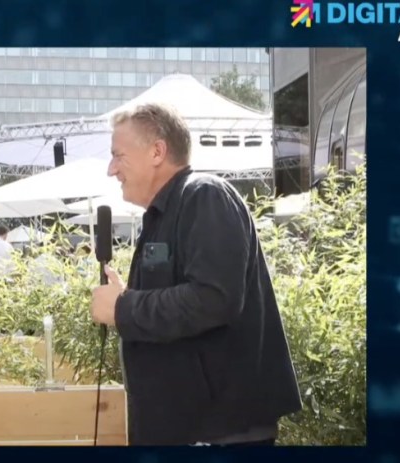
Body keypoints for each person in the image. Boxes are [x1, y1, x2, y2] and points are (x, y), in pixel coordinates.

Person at [90, 103, 302, 446]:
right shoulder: (168, 212)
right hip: (191, 430)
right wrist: (128, 297)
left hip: (218, 433)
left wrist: (123, 307)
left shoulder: (205, 196)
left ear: (157, 152)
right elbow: (188, 295)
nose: (111, 169)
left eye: (118, 155)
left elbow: (214, 298)